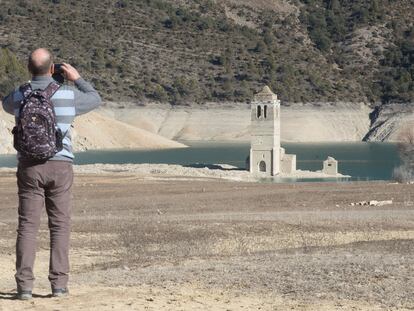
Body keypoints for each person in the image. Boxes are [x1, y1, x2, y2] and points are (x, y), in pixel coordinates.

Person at [2, 48, 102, 300]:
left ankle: (24, 287)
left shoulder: (20, 94)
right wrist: (76, 78)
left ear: (28, 68)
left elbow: (5, 103)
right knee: (59, 225)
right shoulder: (68, 94)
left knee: (27, 225)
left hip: (29, 167)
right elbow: (94, 98)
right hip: (60, 165)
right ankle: (58, 285)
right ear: (52, 68)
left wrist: (28, 83)